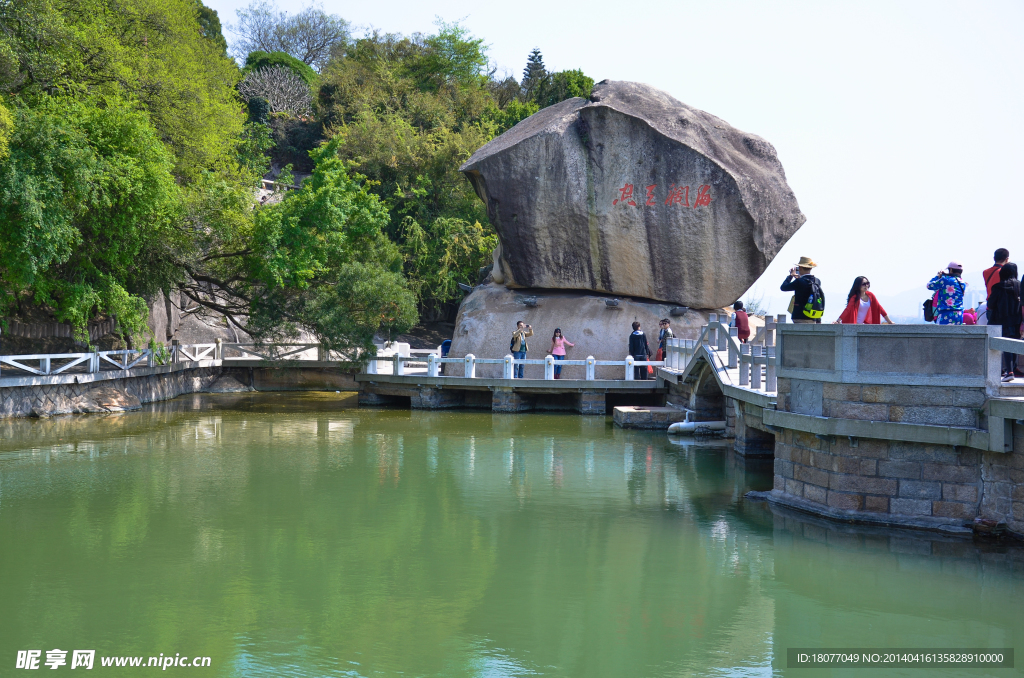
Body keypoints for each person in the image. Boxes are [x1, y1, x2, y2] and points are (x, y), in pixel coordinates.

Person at [987, 263, 1021, 381]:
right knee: (1014, 343)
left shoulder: (998, 287)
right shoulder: (1020, 286)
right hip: (1017, 320)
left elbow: (990, 304)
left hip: (1001, 319)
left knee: (1005, 343)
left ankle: (1009, 371)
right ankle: (1013, 369)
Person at [781, 256, 825, 323]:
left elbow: (783, 287)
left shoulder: (799, 282)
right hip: (813, 316)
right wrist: (799, 279)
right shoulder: (817, 281)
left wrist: (791, 276)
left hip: (800, 316)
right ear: (810, 268)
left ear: (800, 268)